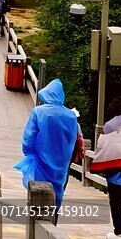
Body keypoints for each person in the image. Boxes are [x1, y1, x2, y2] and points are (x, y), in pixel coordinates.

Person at [14, 79, 80, 214]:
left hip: (41, 159)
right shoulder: (71, 116)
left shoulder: (38, 112)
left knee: (38, 194)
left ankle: (37, 225)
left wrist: (28, 153)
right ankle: (52, 221)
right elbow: (74, 139)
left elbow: (29, 137)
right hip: (62, 162)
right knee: (57, 192)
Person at [91, 98, 121, 238]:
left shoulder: (108, 126)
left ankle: (119, 231)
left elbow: (102, 148)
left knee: (116, 205)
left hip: (115, 176)